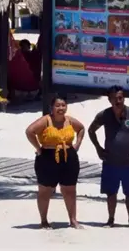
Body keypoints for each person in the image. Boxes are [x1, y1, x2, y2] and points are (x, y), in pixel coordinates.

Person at [88, 85, 129, 229]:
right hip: (110, 162)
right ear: (109, 100)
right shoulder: (104, 115)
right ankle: (110, 220)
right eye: (115, 98)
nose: (118, 101)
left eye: (120, 98)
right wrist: (98, 148)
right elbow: (91, 130)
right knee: (111, 193)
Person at [25, 95, 85, 229]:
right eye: (57, 105)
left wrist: (77, 144)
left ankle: (73, 220)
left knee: (69, 189)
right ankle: (44, 221)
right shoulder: (46, 120)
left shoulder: (69, 121)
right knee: (45, 190)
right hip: (47, 157)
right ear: (51, 108)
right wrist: (39, 148)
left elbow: (81, 128)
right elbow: (29, 131)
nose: (61, 108)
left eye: (63, 105)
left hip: (68, 157)